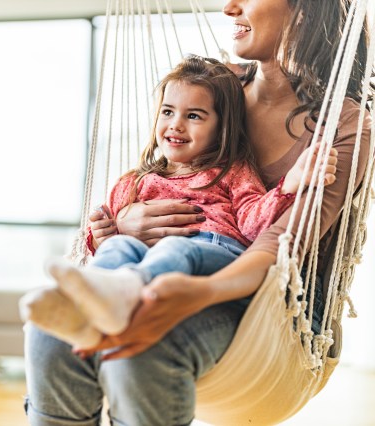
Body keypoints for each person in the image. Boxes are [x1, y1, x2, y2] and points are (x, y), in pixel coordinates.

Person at [22, 0, 373, 425]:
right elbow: (164, 174)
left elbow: (273, 243)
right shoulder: (214, 88)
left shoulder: (344, 125)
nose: (229, 7)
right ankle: (118, 294)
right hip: (155, 265)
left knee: (147, 342)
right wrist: (125, 223)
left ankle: (132, 295)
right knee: (51, 334)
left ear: (303, 9)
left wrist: (195, 292)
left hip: (270, 304)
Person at [20, 55, 338, 350]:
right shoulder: (134, 182)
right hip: (151, 267)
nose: (176, 124)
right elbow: (109, 242)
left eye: (194, 116)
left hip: (216, 256)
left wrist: (292, 183)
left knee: (176, 248)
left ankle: (121, 295)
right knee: (119, 250)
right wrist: (101, 237)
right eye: (168, 111)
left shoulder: (231, 172)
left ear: (222, 127)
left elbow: (253, 225)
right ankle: (86, 308)